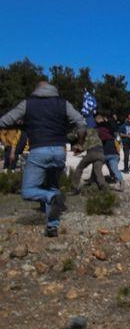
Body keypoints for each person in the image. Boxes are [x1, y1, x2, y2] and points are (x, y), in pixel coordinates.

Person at [0, 80, 86, 237]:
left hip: (39, 149)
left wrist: (21, 125)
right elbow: (81, 122)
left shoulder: (28, 103)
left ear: (37, 90)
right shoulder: (63, 103)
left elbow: (4, 120)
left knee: (28, 191)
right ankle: (52, 226)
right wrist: (80, 143)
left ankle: (52, 198)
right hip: (60, 151)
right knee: (52, 186)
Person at [94, 113, 125, 191]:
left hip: (106, 152)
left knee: (97, 166)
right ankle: (119, 181)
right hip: (114, 152)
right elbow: (117, 138)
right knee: (114, 167)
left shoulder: (98, 129)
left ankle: (96, 180)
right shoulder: (111, 128)